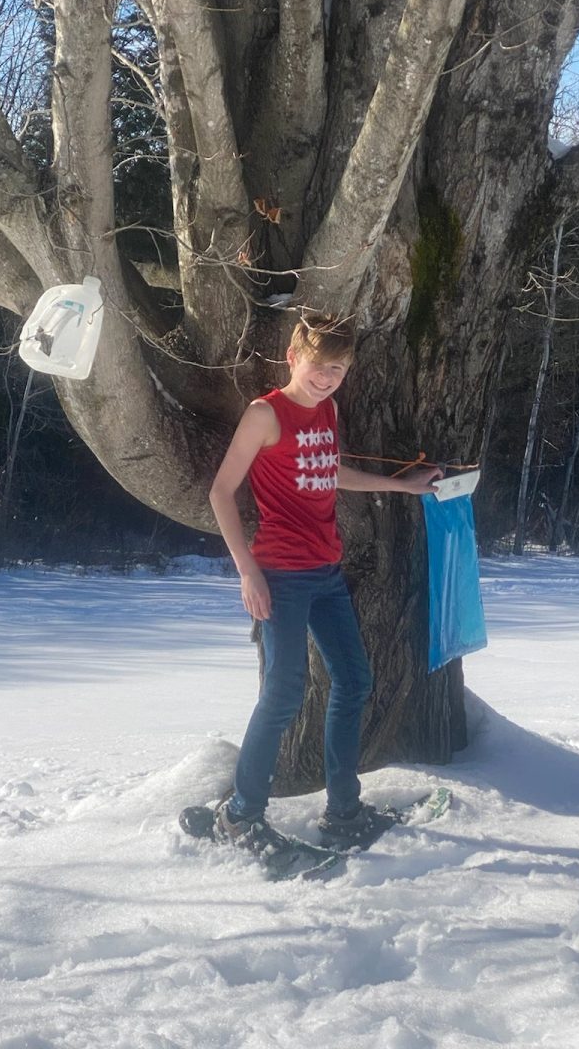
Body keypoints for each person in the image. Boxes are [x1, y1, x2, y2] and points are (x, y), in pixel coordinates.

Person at [208, 313, 441, 854]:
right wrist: (248, 572)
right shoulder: (264, 414)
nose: (326, 377)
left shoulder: (329, 411)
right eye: (318, 366)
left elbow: (329, 470)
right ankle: (242, 815)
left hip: (327, 573)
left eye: (336, 369)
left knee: (355, 681)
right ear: (294, 358)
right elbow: (221, 492)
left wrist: (399, 486)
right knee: (284, 694)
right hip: (280, 577)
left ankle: (343, 810)